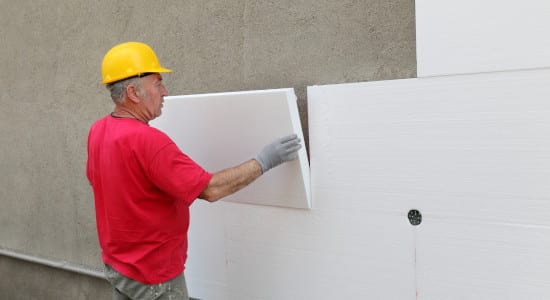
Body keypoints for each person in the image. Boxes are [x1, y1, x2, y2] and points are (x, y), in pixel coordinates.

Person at [86, 41, 302, 300]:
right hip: (154, 279)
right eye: (158, 83)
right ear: (133, 92)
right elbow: (210, 189)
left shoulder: (98, 130)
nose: (165, 92)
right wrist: (264, 161)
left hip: (120, 269)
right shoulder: (149, 142)